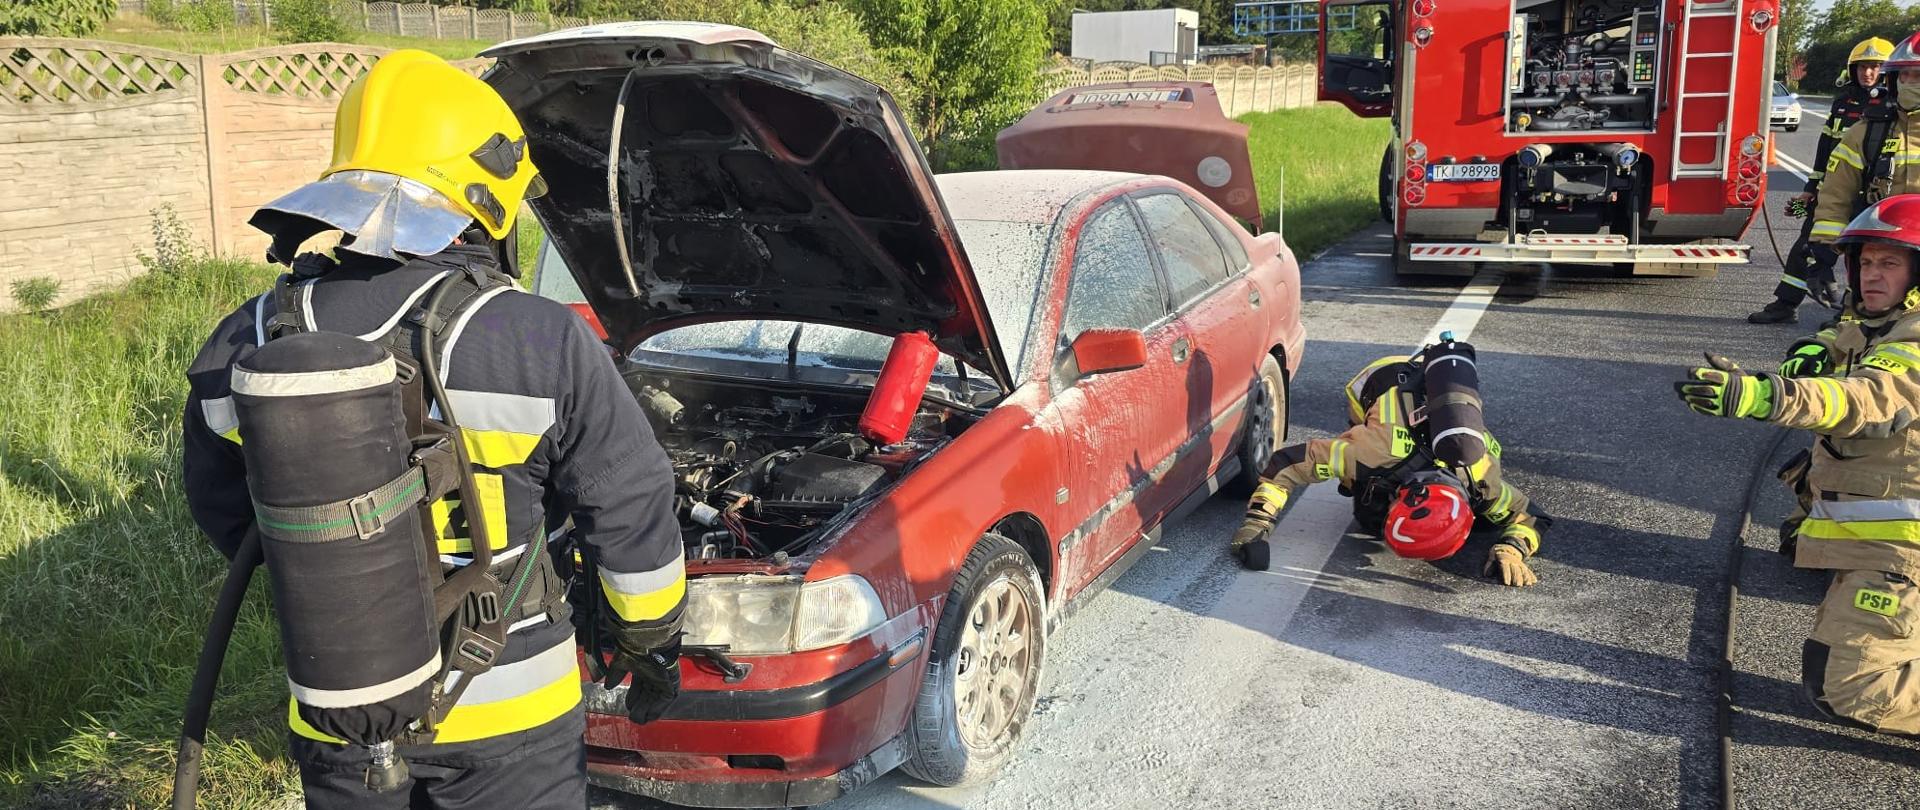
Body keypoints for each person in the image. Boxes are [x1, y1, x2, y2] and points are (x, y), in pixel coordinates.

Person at [180, 50, 686, 808]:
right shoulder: (538, 337)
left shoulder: (247, 337)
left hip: (339, 710)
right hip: (513, 721)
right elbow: (632, 509)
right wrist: (649, 646)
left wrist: (344, 586)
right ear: (482, 196)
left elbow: (227, 512)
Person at [1676, 193, 1920, 736]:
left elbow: (1865, 400)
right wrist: (1816, 347)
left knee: (1847, 687)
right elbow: (1847, 338)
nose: (1871, 275)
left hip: (1905, 550)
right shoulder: (1886, 322)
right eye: (1865, 262)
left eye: (1891, 262)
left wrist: (1768, 397)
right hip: (1882, 532)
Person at [1228, 343, 1548, 587]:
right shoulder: (1368, 453)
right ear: (1399, 496)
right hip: (1376, 378)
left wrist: (1512, 547)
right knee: (1366, 512)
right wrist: (1256, 525)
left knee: (1490, 524)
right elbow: (1287, 464)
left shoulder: (1482, 476)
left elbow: (1531, 515)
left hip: (1428, 406)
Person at [1749, 37, 1894, 324]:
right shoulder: (1843, 104)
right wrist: (1808, 191)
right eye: (1863, 67)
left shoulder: (1894, 107)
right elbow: (1824, 151)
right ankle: (1785, 304)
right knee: (1806, 246)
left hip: (1871, 198)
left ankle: (1852, 316)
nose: (1869, 73)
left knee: (1862, 254)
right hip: (1831, 192)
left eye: (1876, 67)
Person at [1807, 32, 1920, 255]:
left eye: (1916, 75)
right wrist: (1824, 248)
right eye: (1902, 75)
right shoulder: (1869, 129)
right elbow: (1836, 192)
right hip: (1881, 250)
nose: (1907, 82)